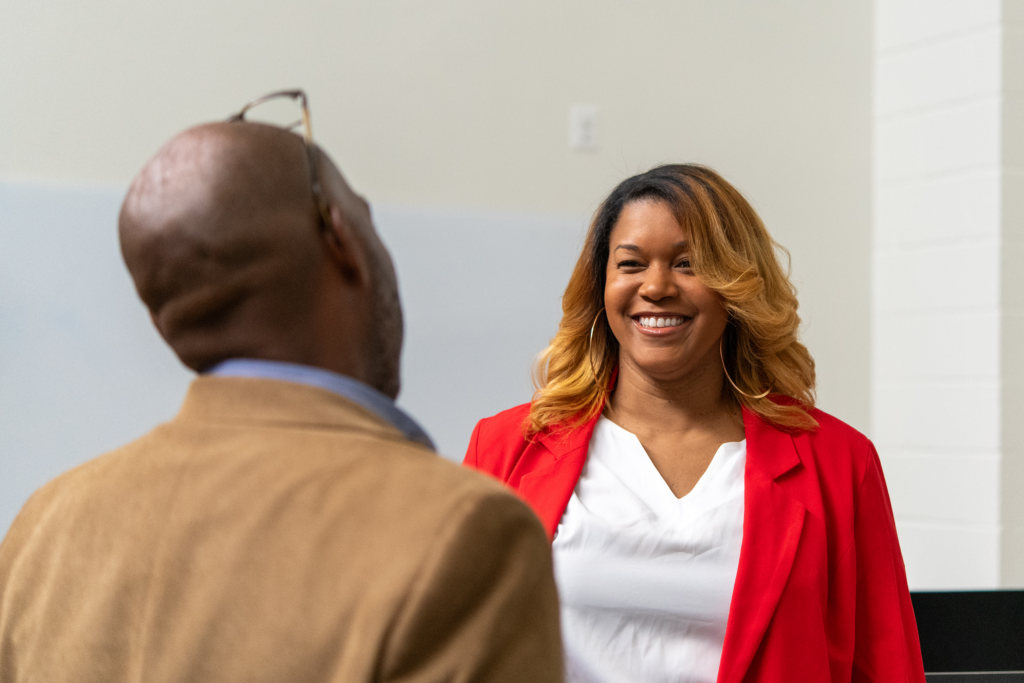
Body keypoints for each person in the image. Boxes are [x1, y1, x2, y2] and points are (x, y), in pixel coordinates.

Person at [0, 92, 563, 683]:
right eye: (367, 215)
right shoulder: (465, 533)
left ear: (160, 318)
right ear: (343, 239)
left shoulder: (44, 527)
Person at [463, 165, 925, 683]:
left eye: (688, 264)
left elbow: (887, 667)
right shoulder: (505, 449)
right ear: (602, 286)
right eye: (631, 264)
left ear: (737, 285)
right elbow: (457, 651)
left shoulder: (840, 463)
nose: (656, 286)